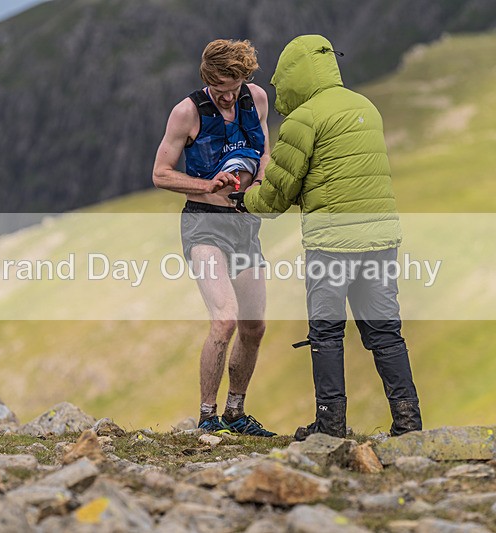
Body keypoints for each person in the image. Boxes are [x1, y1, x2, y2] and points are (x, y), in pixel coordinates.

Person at [231, 34, 422, 440]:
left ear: (294, 76)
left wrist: (245, 200)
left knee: (326, 333)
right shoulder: (364, 106)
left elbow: (276, 195)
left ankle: (330, 425)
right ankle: (409, 425)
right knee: (385, 332)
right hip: (381, 239)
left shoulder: (304, 119)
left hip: (332, 244)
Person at [152, 39, 275, 436]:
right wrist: (206, 185)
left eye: (233, 87)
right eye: (219, 88)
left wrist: (259, 185)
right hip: (204, 223)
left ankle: (236, 413)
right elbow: (160, 174)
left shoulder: (256, 99)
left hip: (244, 223)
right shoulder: (187, 112)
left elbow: (265, 153)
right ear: (207, 78)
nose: (226, 96)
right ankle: (207, 417)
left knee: (254, 326)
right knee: (224, 320)